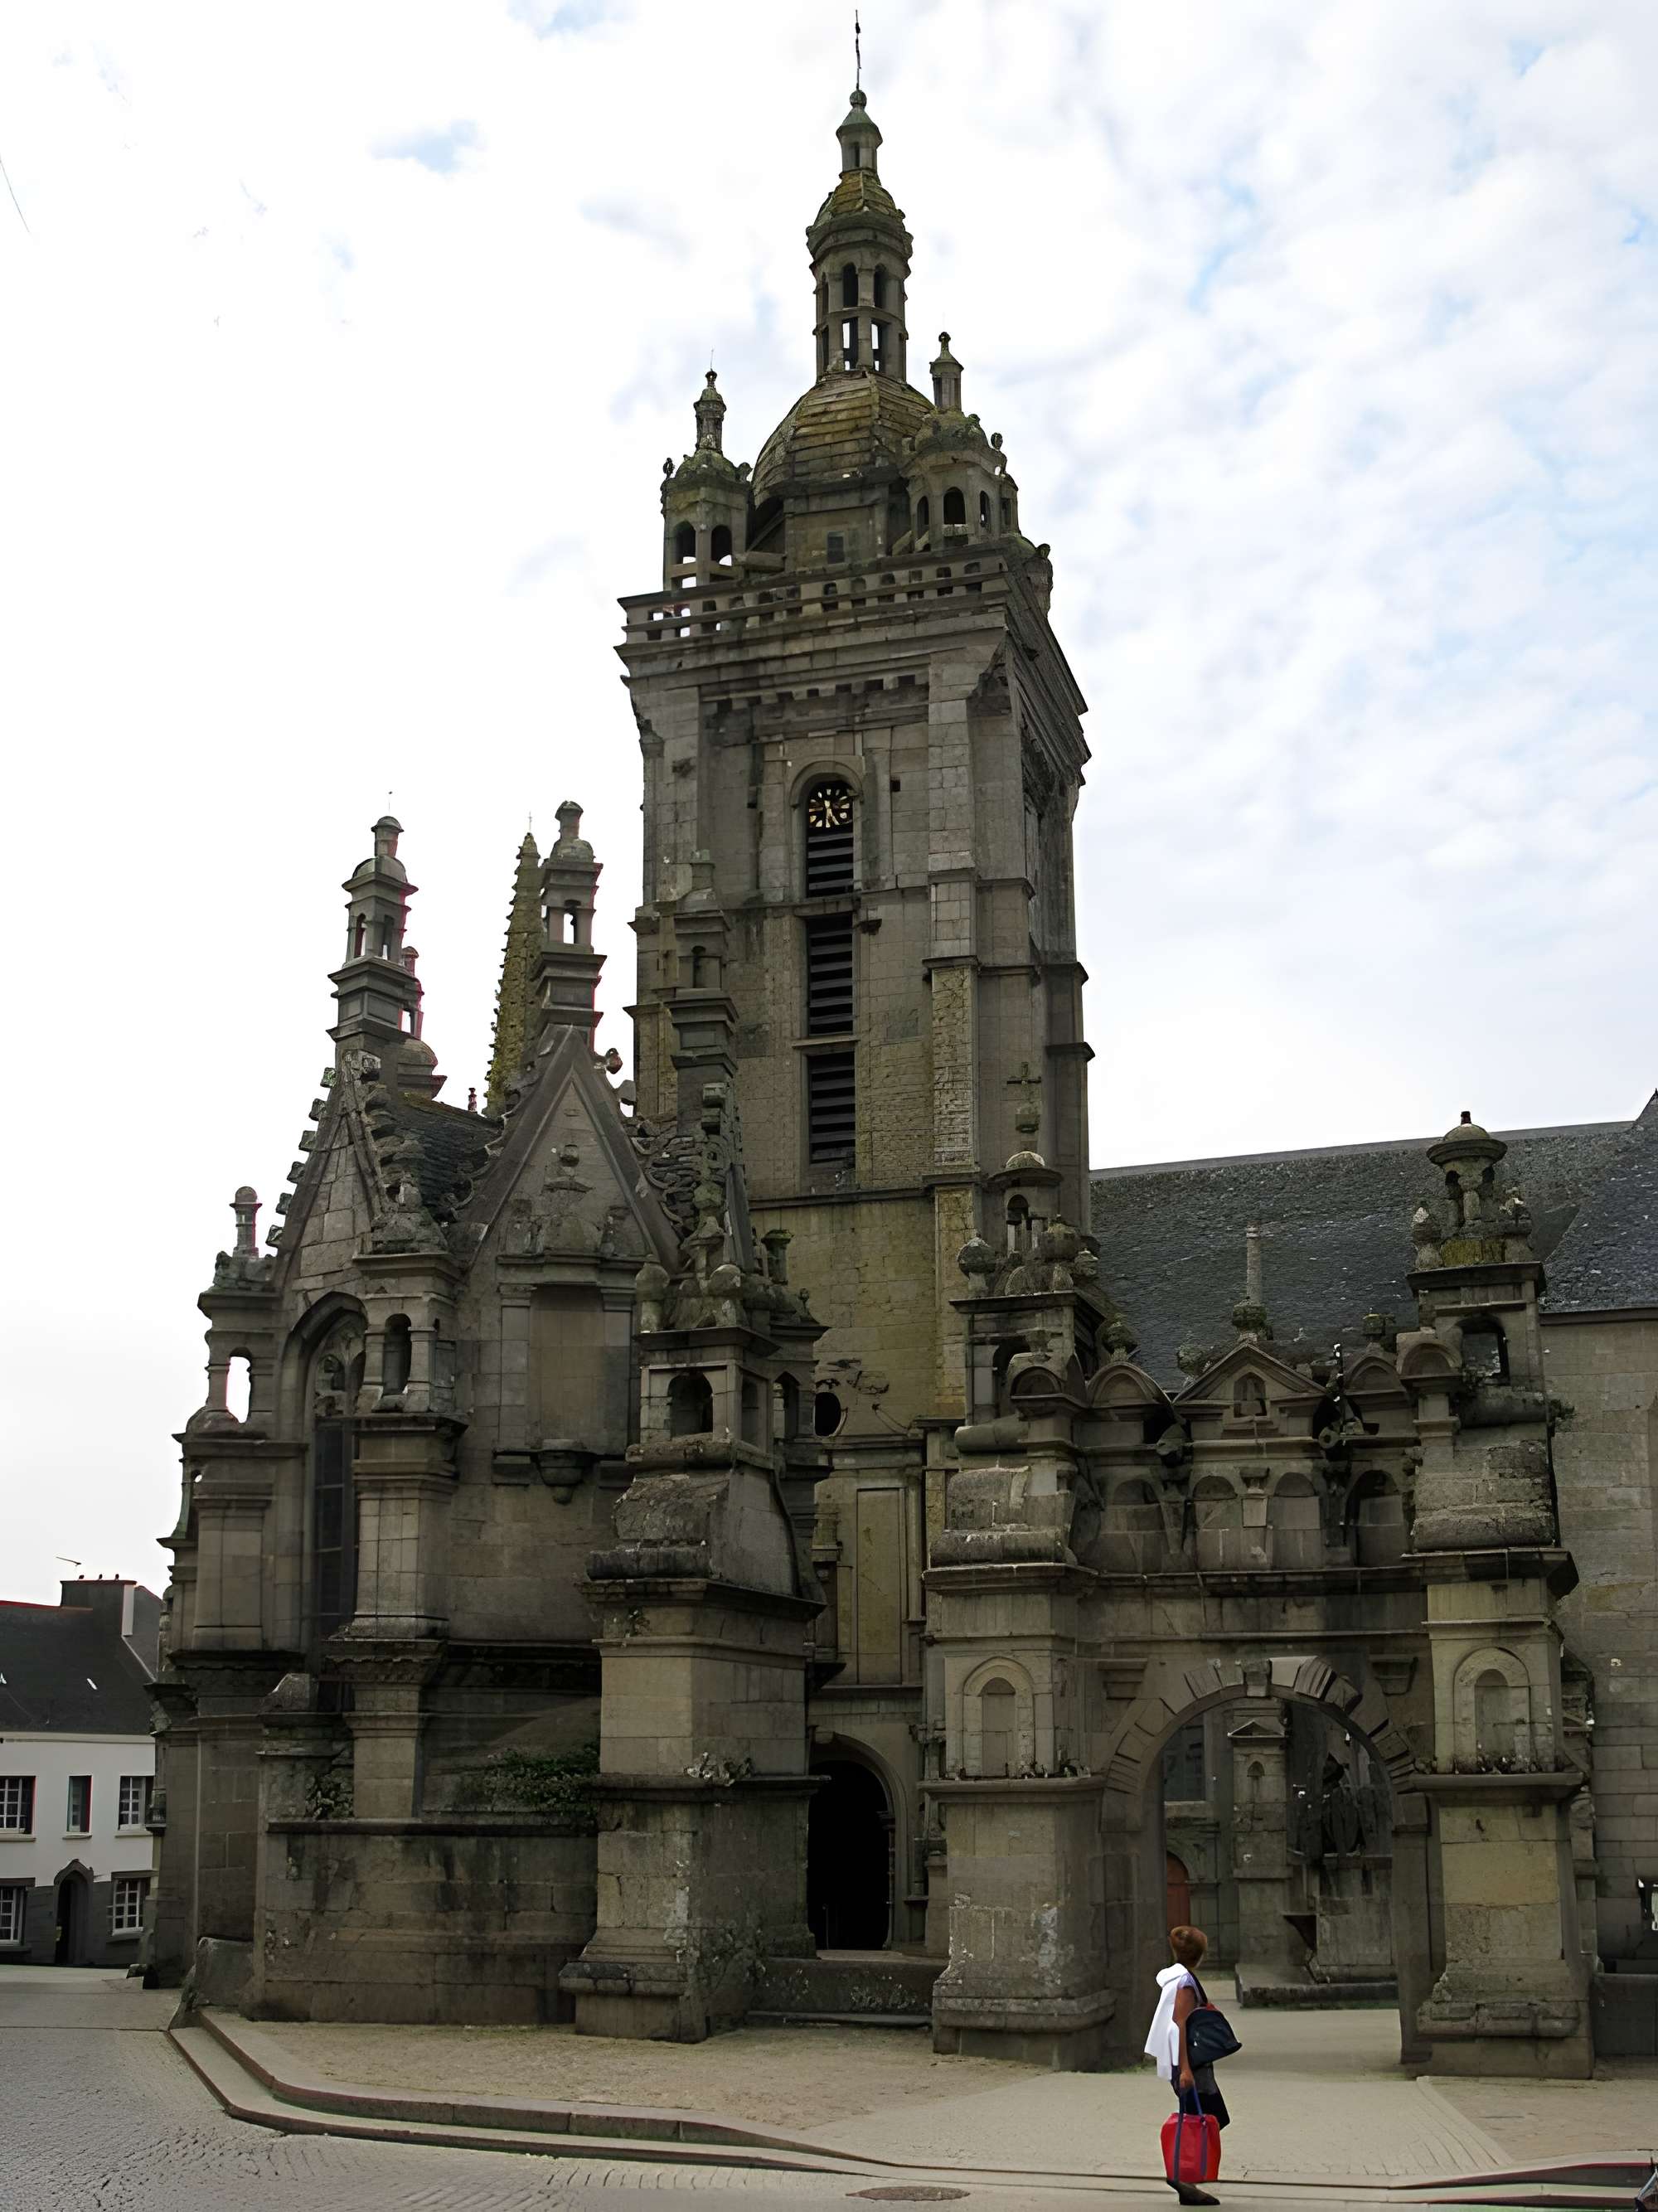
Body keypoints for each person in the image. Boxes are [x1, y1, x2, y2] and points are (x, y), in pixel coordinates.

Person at [1144, 1923, 1229, 2207]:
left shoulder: (1180, 1978)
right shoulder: (1185, 1984)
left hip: (1189, 2062)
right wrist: (1185, 2070)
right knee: (1209, 2116)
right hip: (1190, 2064)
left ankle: (1185, 2177)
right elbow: (1179, 2024)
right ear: (1201, 1956)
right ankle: (1182, 2177)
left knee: (1203, 2116)